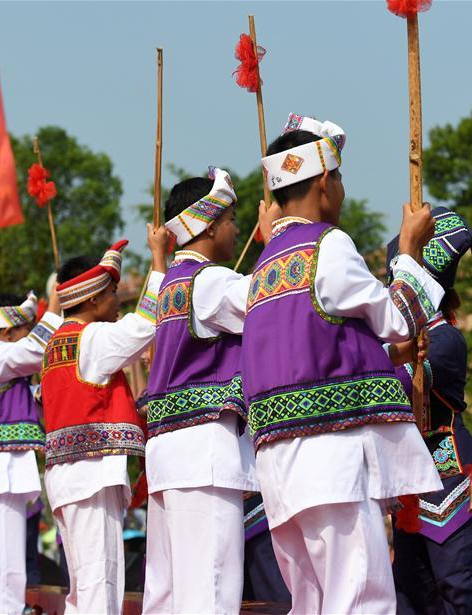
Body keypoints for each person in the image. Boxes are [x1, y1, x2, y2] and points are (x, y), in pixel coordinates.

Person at [241, 113, 444, 613]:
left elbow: (321, 342)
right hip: (330, 459)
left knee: (311, 601)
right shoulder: (326, 245)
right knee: (360, 597)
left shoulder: (262, 267)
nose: (345, 193)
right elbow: (397, 319)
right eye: (342, 179)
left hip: (280, 468)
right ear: (326, 183)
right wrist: (411, 252)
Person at [142, 168, 279, 614]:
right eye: (233, 218)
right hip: (203, 453)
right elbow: (276, 306)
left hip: (167, 455)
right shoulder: (210, 282)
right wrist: (277, 239)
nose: (239, 228)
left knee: (167, 595)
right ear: (210, 224)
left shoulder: (168, 285)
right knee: (211, 593)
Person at [41, 227, 168, 614]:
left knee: (83, 590)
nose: (117, 302)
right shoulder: (90, 339)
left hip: (68, 478)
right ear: (93, 298)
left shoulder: (54, 344)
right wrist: (160, 259)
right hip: (90, 477)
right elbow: (144, 326)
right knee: (101, 587)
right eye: (112, 294)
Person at [385, 207, 472, 615]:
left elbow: (398, 385)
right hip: (411, 481)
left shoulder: (445, 339)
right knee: (410, 591)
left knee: (460, 585)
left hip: (447, 474)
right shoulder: (399, 338)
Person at [0, 290, 62, 614]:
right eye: (24, 330)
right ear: (7, 332)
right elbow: (35, 350)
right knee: (1, 578)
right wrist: (56, 309)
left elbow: (30, 392)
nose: (28, 337)